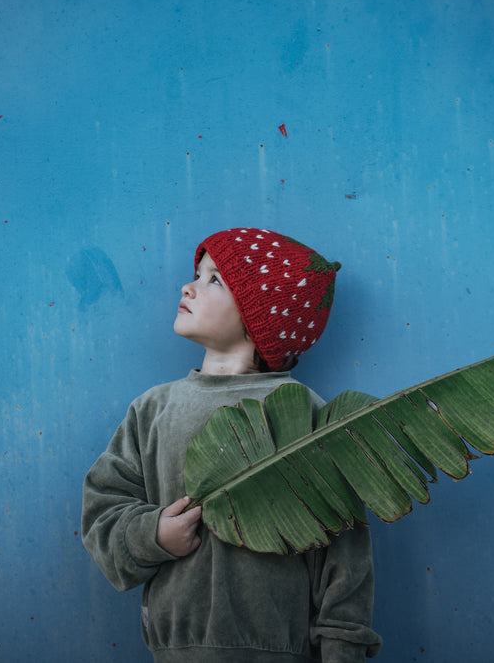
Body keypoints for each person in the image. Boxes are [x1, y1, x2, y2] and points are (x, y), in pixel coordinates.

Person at [82, 227, 382, 662]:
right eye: (197, 274)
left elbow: (346, 552)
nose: (189, 286)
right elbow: (103, 509)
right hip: (176, 651)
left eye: (214, 280)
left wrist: (342, 650)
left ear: (260, 318)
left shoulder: (305, 414)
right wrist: (154, 536)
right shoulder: (153, 410)